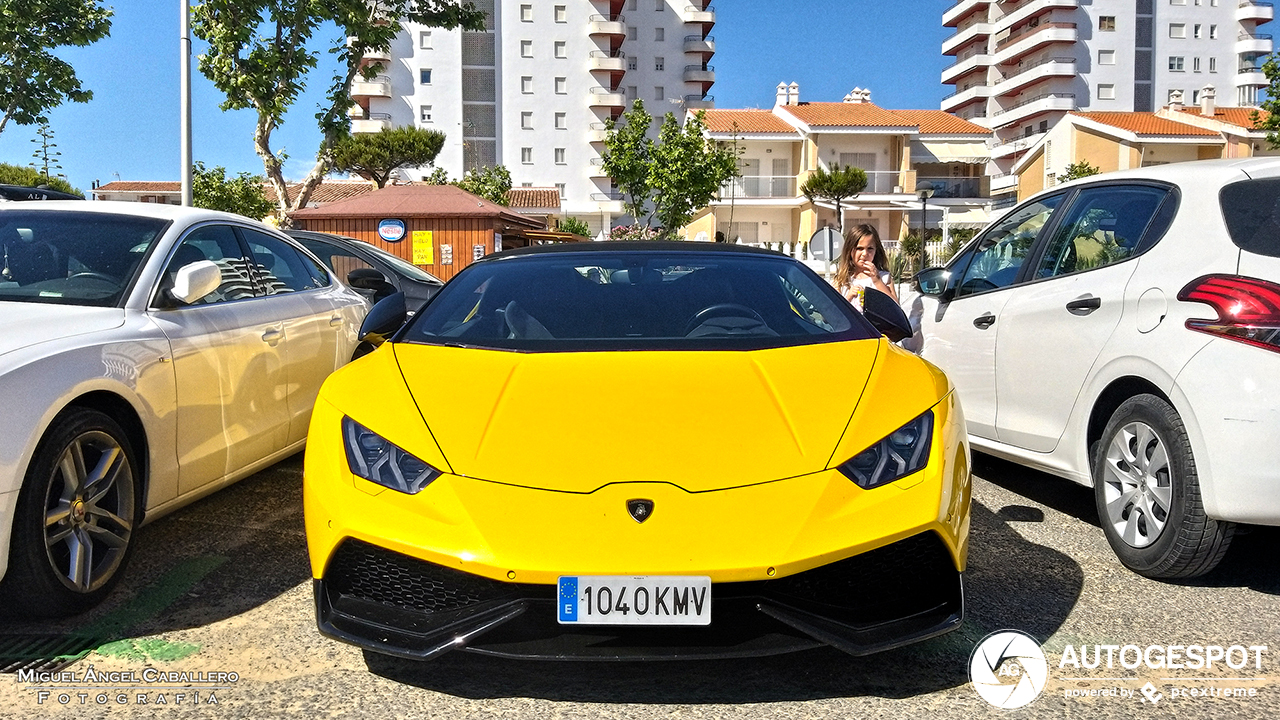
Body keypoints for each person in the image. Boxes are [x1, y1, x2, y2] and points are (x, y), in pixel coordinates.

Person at [831, 223, 897, 310]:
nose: (865, 254)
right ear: (849, 250)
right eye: (859, 248)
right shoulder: (841, 280)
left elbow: (896, 309)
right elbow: (830, 314)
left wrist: (877, 281)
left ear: (876, 250)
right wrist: (848, 298)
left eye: (870, 249)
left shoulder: (884, 278)